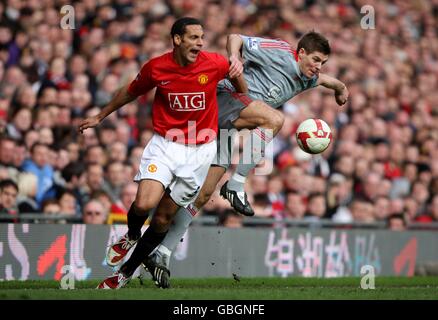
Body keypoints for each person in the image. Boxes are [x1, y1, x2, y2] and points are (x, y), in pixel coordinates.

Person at [144, 31, 349, 288]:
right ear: (302, 53)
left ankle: (162, 252)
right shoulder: (280, 51)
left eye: (323, 63)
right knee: (274, 120)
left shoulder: (309, 78)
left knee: (204, 194)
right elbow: (235, 37)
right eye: (316, 59)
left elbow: (325, 81)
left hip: (229, 126)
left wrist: (341, 88)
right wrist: (234, 56)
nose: (318, 67)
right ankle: (237, 183)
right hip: (224, 97)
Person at [78, 17, 244, 289]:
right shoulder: (157, 68)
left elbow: (237, 77)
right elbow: (131, 91)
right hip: (166, 144)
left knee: (163, 218)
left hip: (200, 152)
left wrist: (243, 99)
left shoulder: (214, 63)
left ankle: (125, 273)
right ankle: (130, 235)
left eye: (202, 37)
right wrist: (100, 115)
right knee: (143, 204)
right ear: (177, 39)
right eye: (193, 37)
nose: (200, 43)